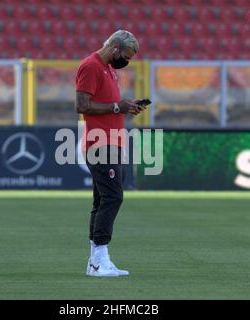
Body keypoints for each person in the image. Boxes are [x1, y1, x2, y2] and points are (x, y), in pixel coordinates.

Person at [75, 30, 146, 277]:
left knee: (102, 200)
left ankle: (97, 260)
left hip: (112, 142)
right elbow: (82, 105)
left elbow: (108, 105)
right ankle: (99, 259)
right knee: (113, 198)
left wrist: (126, 106)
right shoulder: (91, 66)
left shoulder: (109, 69)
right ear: (114, 46)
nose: (125, 62)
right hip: (100, 143)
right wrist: (118, 106)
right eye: (124, 56)